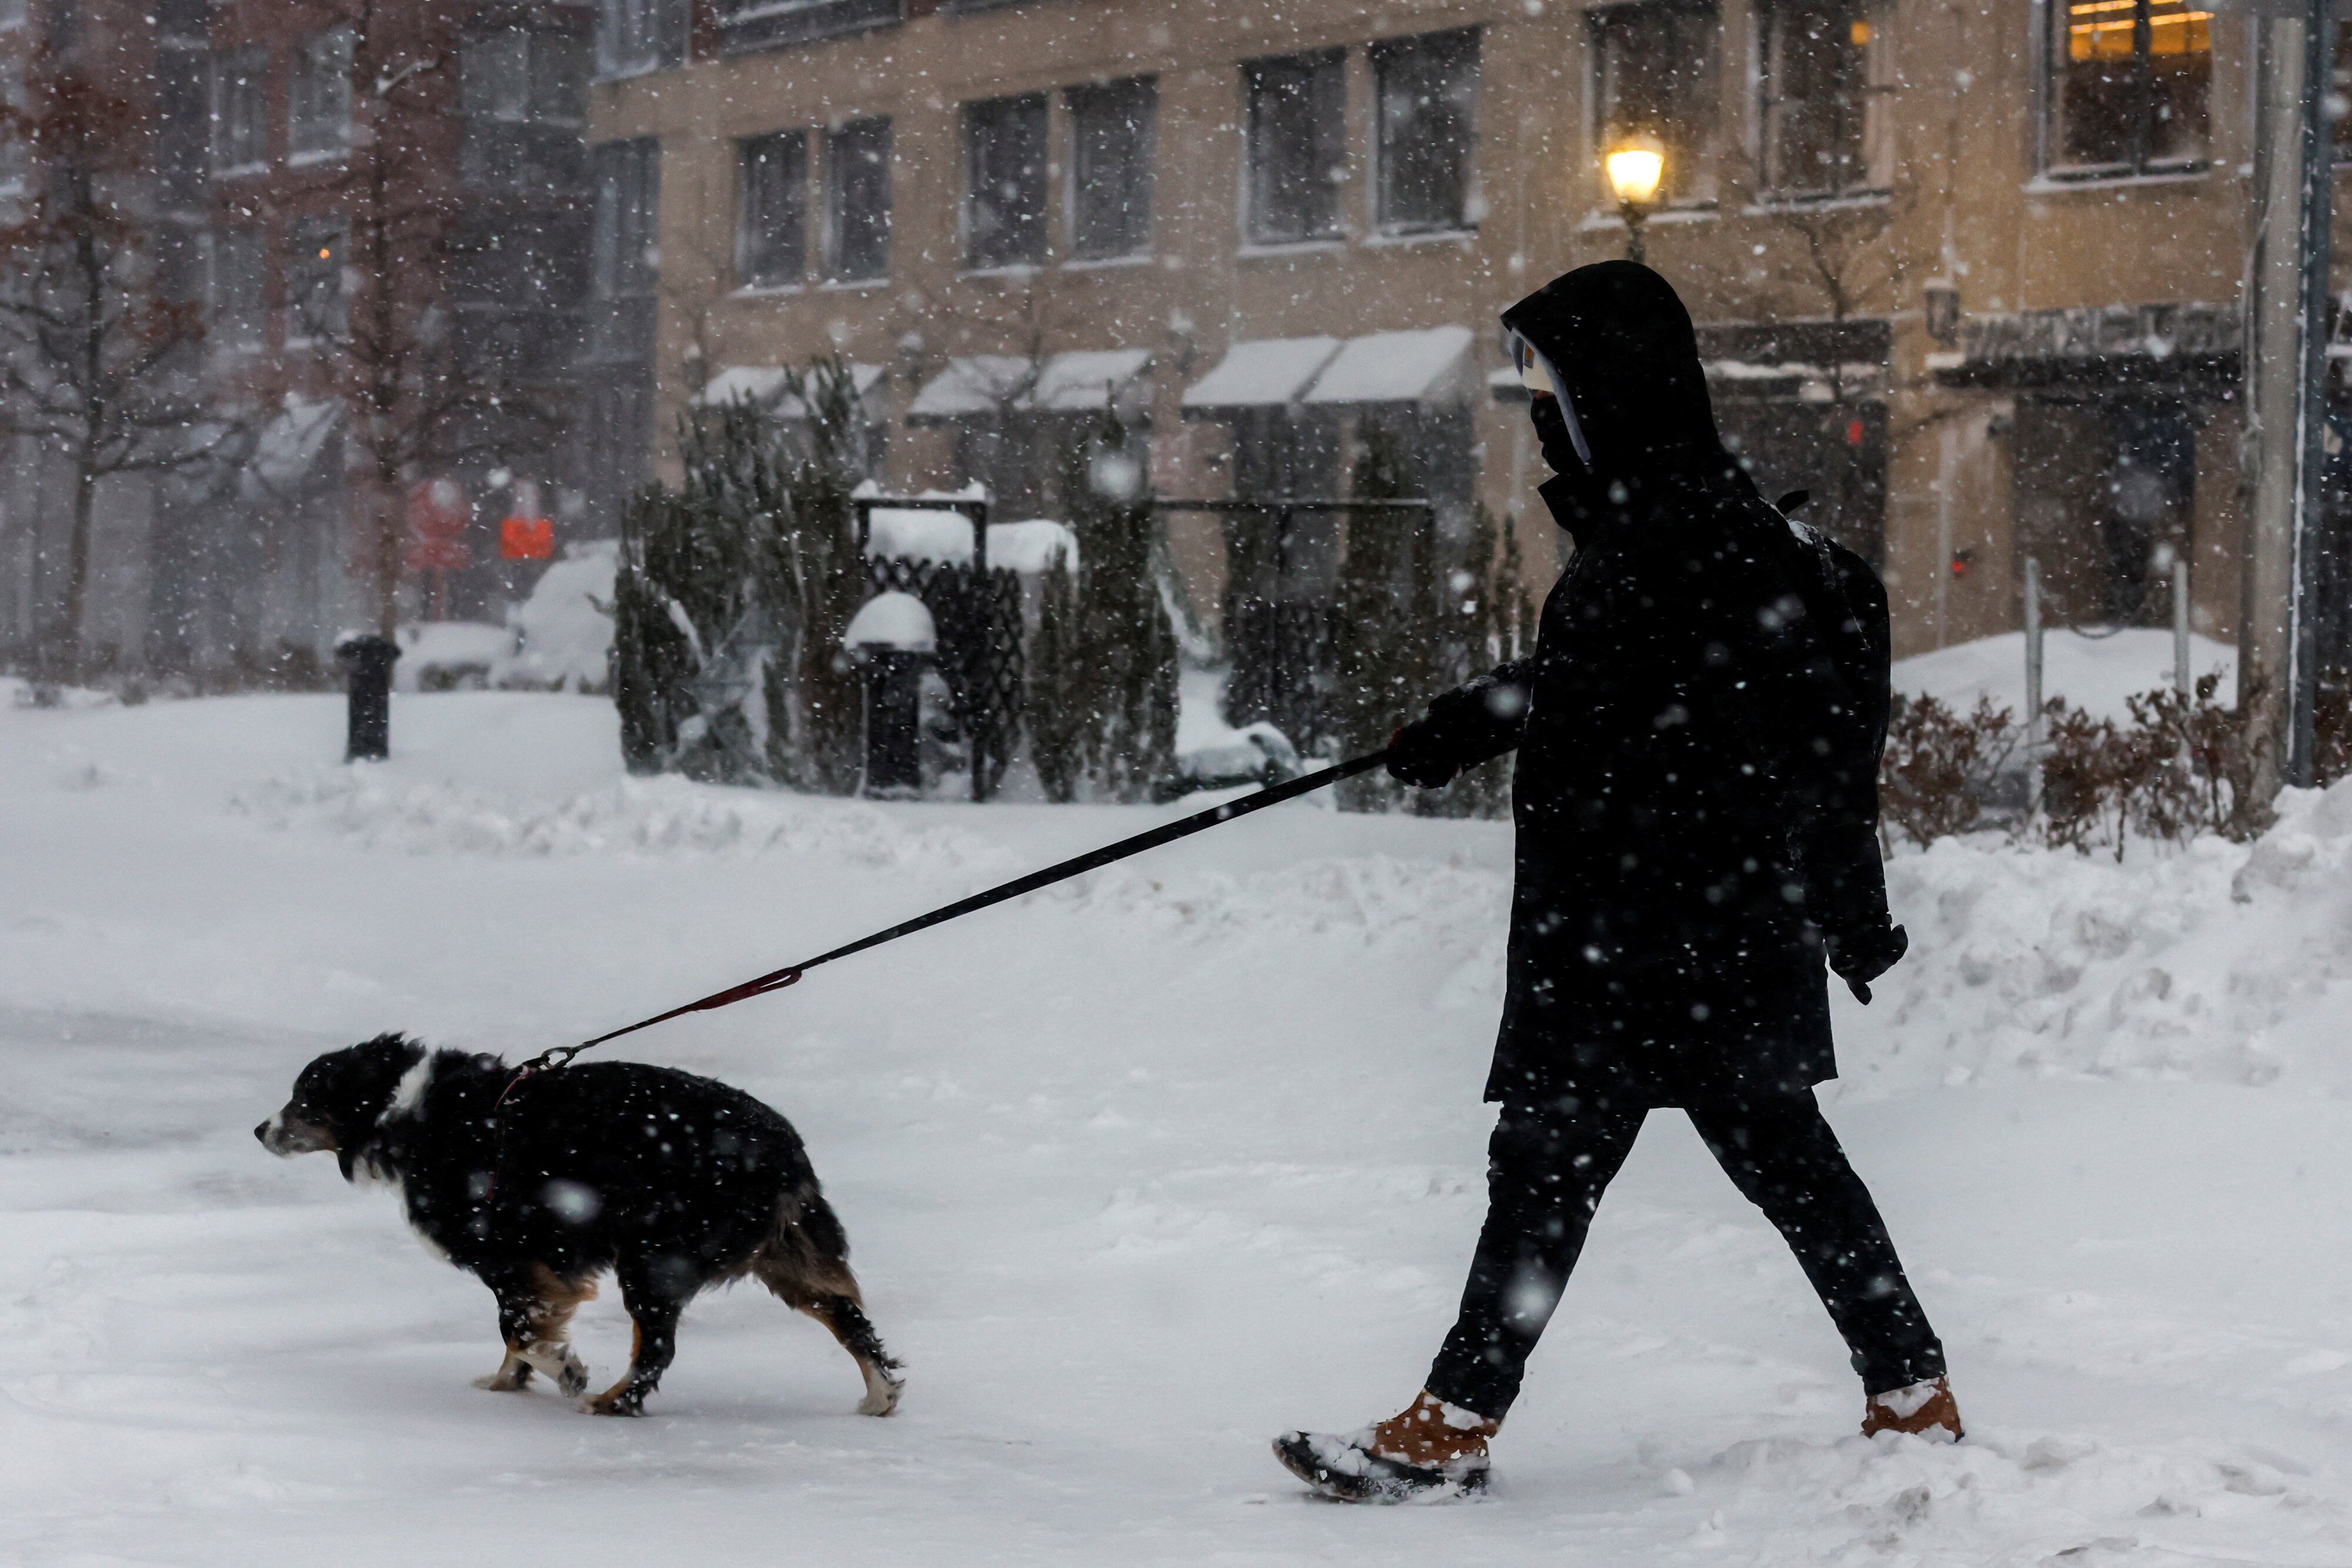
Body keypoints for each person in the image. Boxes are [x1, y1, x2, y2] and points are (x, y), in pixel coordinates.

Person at [1272, 262, 1957, 1504]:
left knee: (1553, 1169)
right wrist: (1456, 723)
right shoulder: (1698, 526)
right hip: (1706, 933)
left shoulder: (1673, 532)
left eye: (1555, 377)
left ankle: (1454, 1420)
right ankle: (1910, 1391)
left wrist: (1460, 720)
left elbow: (1646, 695)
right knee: (1766, 1161)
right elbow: (1632, 690)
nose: (1543, 404)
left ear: (1612, 384)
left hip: (1639, 935)